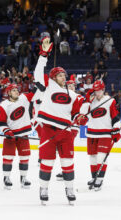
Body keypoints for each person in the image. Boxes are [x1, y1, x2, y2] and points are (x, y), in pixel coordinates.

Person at [34, 37, 84, 205]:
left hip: (66, 133)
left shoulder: (74, 95)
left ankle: (69, 189)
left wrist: (81, 117)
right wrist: (43, 55)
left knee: (68, 162)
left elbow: (77, 115)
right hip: (48, 129)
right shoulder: (48, 86)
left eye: (64, 75)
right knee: (47, 162)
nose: (64, 77)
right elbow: (37, 74)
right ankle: (43, 189)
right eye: (61, 75)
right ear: (54, 77)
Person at [80, 80, 121, 191]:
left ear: (103, 90)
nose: (97, 93)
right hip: (92, 133)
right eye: (95, 91)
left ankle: (100, 179)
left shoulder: (110, 101)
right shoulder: (91, 101)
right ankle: (94, 177)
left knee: (101, 157)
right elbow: (83, 114)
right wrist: (87, 99)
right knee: (92, 157)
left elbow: (115, 117)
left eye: (99, 91)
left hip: (105, 133)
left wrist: (116, 130)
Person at [0, 84, 34, 190]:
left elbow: (36, 93)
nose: (16, 92)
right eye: (13, 90)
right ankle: (6, 177)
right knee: (8, 157)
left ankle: (23, 178)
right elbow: (0, 122)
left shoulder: (24, 98)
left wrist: (40, 84)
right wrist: (7, 131)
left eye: (17, 90)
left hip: (23, 135)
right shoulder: (3, 105)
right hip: (10, 136)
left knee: (25, 157)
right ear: (8, 93)